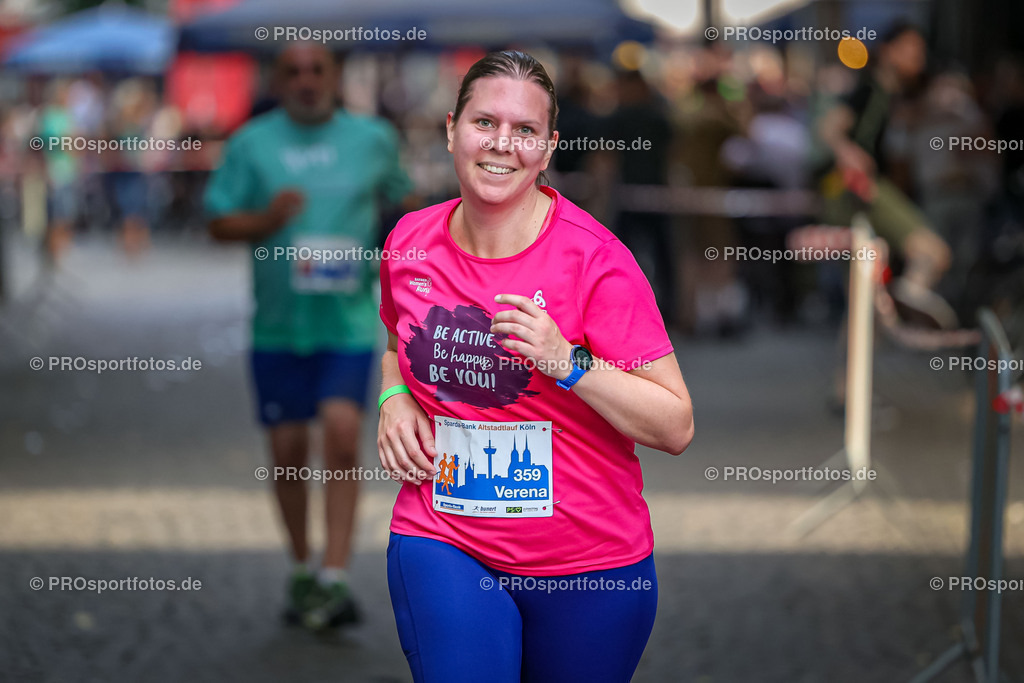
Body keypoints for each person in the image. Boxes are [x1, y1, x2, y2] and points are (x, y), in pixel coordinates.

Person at [377, 51, 694, 682]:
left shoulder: (596, 261)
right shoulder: (409, 241)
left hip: (591, 563)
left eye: (525, 131)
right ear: (450, 130)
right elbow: (395, 341)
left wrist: (566, 361)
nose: (502, 144)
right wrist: (393, 398)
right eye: (484, 122)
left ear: (548, 149)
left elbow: (674, 425)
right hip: (446, 539)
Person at [204, 43, 412, 630]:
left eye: (317, 69)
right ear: (277, 79)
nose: (306, 80)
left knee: (344, 437)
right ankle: (301, 567)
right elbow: (217, 220)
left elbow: (406, 202)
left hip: (346, 322)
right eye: (293, 71)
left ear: (336, 77)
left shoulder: (373, 139)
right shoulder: (251, 143)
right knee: (289, 452)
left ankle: (335, 575)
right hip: (276, 325)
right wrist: (267, 221)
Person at [817, 20, 954, 328]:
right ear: (888, 51)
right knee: (933, 251)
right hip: (861, 189)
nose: (917, 58)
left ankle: (885, 322)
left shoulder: (903, 94)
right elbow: (828, 127)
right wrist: (849, 154)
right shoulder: (869, 89)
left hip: (867, 191)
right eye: (910, 49)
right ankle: (910, 293)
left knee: (864, 288)